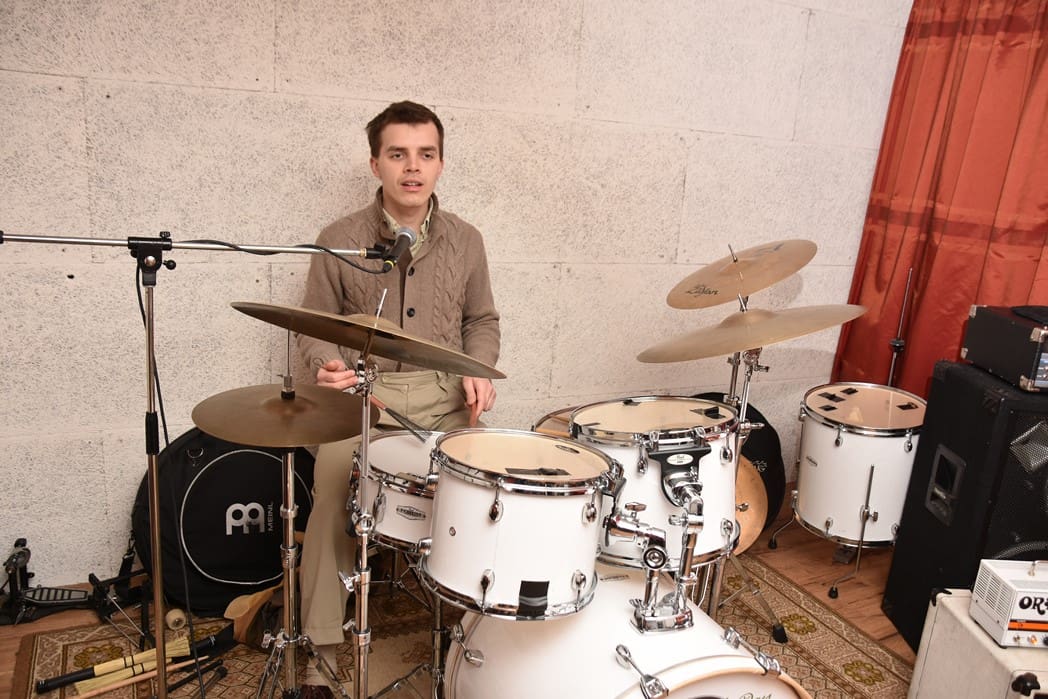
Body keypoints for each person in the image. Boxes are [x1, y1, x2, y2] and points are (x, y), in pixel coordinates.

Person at [295, 100, 500, 697]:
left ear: (440, 164)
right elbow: (311, 325)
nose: (413, 167)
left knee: (491, 493)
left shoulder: (467, 240)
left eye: (425, 154)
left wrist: (479, 368)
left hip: (445, 400)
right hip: (364, 401)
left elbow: (481, 319)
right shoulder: (338, 240)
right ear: (375, 164)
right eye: (398, 154)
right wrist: (326, 364)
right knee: (332, 494)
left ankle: (476, 637)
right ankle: (320, 657)